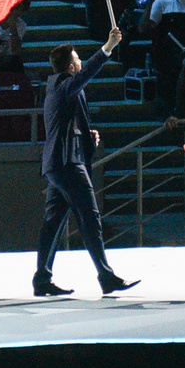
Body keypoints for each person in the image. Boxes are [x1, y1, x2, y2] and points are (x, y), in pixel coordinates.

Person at [36, 27, 134, 297]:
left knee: (53, 222)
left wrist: (85, 134)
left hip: (60, 162)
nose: (80, 62)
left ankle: (42, 278)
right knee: (89, 218)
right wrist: (107, 48)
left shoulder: (58, 87)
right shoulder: (64, 83)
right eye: (78, 58)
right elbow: (86, 74)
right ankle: (106, 275)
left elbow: (66, 122)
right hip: (68, 164)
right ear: (71, 66)